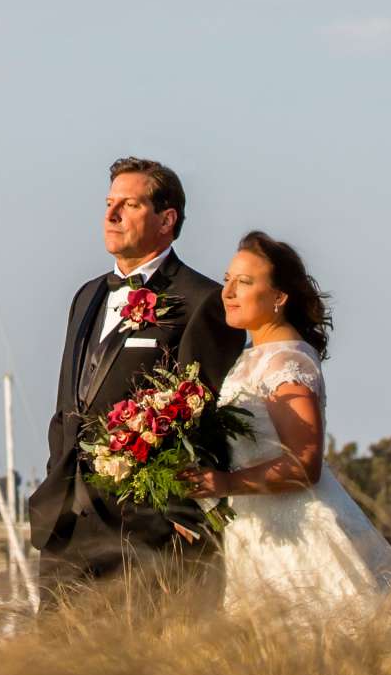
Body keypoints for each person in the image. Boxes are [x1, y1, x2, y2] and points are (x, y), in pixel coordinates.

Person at [27, 155, 243, 596]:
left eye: (129, 204)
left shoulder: (202, 301)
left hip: (145, 529)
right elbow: (68, 404)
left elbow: (207, 419)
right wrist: (55, 480)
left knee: (132, 661)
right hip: (65, 523)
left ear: (167, 219)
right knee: (50, 661)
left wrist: (179, 515)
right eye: (109, 203)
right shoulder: (86, 295)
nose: (111, 215)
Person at [181, 229, 391, 621]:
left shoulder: (287, 362)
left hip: (299, 531)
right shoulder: (255, 354)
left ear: (279, 297)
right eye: (227, 280)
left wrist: (225, 483)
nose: (228, 292)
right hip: (257, 526)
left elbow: (305, 463)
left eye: (245, 282)